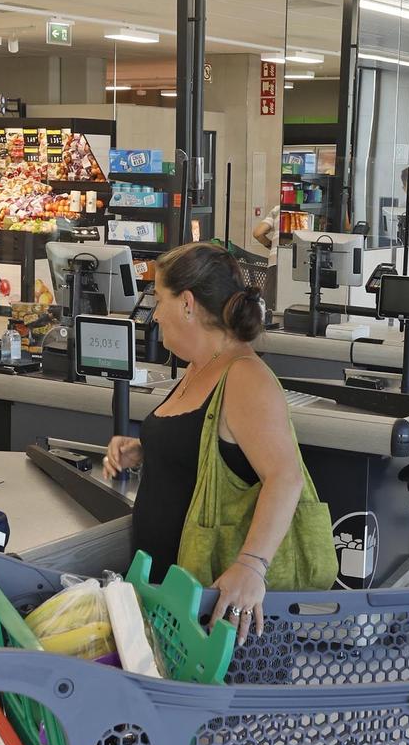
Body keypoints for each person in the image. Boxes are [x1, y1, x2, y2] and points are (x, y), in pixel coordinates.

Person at [102, 243, 306, 641]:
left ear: (188, 304)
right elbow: (211, 445)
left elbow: (285, 477)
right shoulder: (200, 368)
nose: (155, 314)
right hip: (173, 596)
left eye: (160, 299)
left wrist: (251, 565)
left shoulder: (245, 376)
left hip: (216, 611)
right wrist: (147, 450)